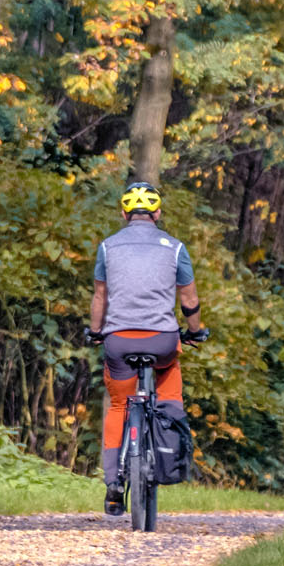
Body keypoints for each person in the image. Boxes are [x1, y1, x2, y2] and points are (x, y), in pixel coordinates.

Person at [84, 181, 207, 515]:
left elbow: (100, 296)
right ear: (158, 213)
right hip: (162, 341)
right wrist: (195, 332)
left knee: (120, 405)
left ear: (124, 213)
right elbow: (189, 299)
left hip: (119, 342)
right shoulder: (176, 247)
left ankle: (113, 483)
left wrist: (96, 331)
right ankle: (167, 445)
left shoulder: (107, 247)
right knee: (169, 378)